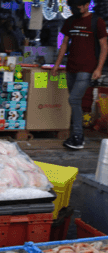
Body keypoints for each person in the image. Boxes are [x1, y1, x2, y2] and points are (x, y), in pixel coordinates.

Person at [52, 0, 108, 150]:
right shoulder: (70, 21)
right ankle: (75, 134)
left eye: (79, 7)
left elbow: (104, 46)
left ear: (86, 4)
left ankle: (78, 136)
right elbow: (64, 43)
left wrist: (99, 68)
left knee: (74, 99)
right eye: (74, 8)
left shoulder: (97, 22)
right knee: (74, 102)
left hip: (87, 69)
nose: (77, 10)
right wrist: (57, 64)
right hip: (71, 68)